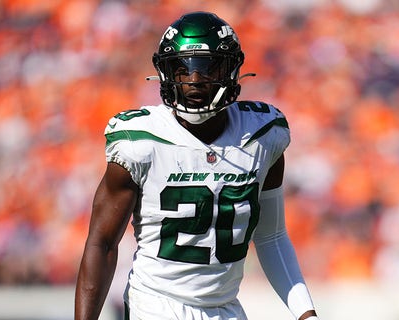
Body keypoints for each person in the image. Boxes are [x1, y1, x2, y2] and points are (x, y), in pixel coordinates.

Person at [75, 11, 319, 320]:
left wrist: (305, 314)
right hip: (155, 305)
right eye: (181, 69)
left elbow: (271, 237)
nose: (194, 80)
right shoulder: (141, 142)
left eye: (207, 68)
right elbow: (103, 242)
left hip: (226, 309)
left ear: (231, 70)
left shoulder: (262, 136)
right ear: (166, 73)